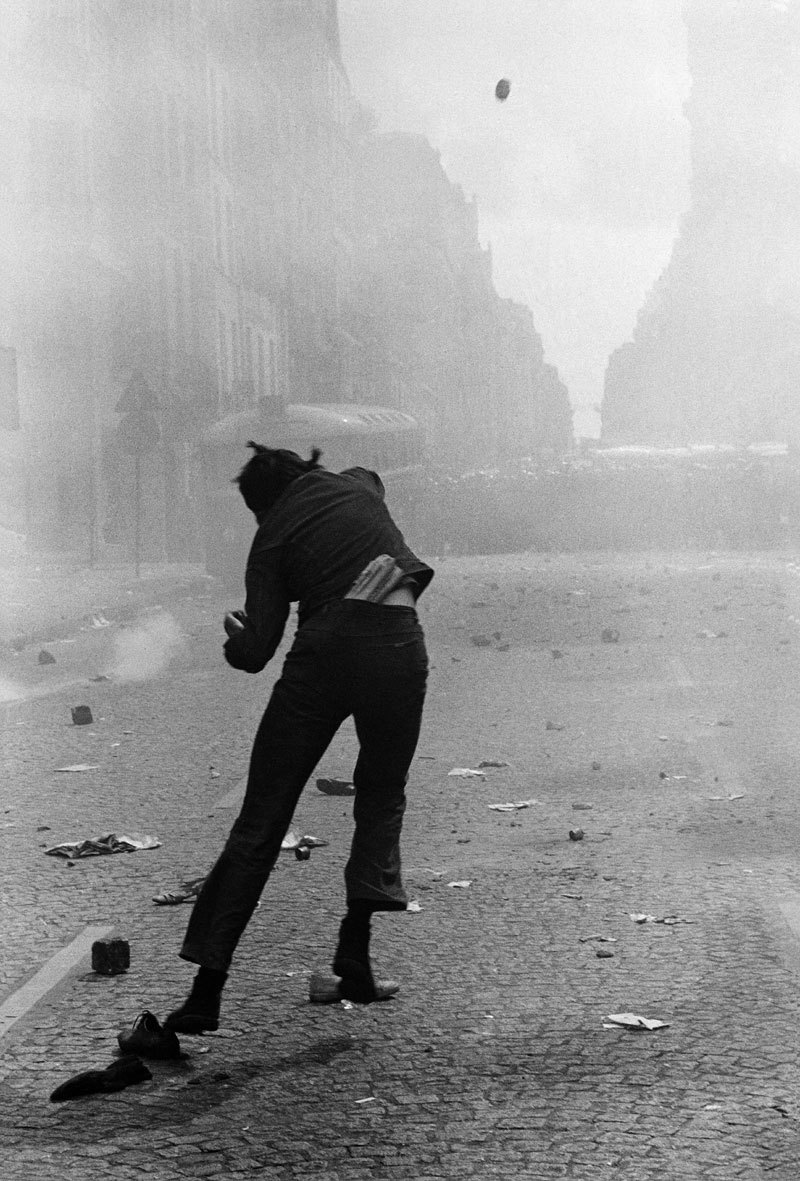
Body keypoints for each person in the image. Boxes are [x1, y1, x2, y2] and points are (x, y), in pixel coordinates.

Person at [164, 442, 433, 1033]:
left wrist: (238, 640)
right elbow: (373, 476)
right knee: (381, 798)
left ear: (261, 508)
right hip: (397, 641)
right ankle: (354, 954)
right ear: (308, 473)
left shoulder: (270, 540)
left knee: (260, 822)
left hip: (325, 655)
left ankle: (205, 994)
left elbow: (257, 653)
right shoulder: (356, 484)